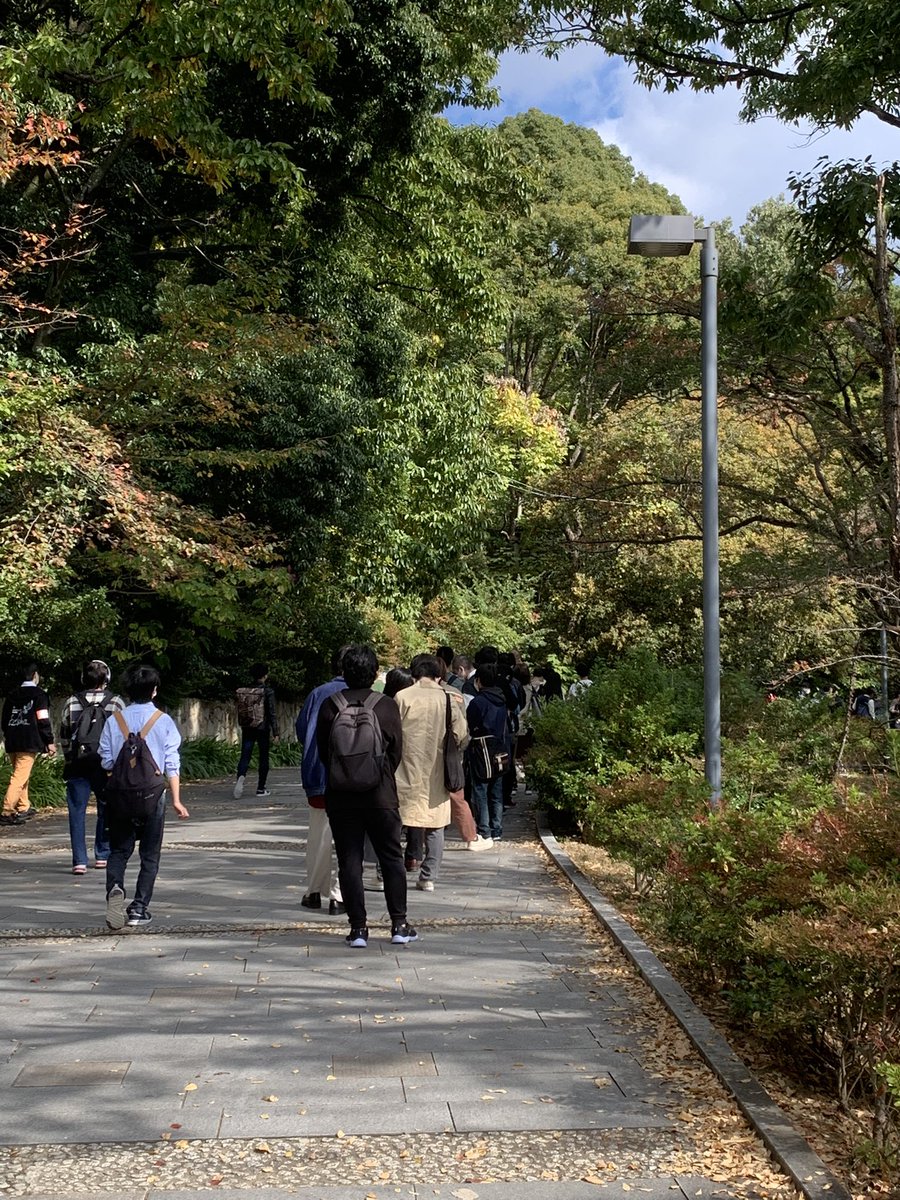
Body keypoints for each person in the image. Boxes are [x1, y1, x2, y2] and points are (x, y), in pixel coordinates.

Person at [316, 644, 416, 948]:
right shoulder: (385, 705)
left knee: (349, 860)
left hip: (341, 796)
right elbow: (396, 751)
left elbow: (325, 752)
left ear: (344, 672)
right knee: (391, 858)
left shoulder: (330, 705)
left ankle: (358, 929)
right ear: (375, 673)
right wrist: (378, 773)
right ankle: (399, 924)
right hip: (381, 795)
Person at [99, 664, 188, 929]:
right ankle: (138, 908)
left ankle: (115, 888)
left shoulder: (115, 720)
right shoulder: (163, 721)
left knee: (118, 850)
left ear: (127, 691)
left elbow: (106, 761)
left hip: (120, 796)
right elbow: (172, 763)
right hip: (152, 795)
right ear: (154, 691)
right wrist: (176, 799)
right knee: (150, 854)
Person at [395, 654, 469, 892]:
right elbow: (461, 734)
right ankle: (428, 877)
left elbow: (390, 732)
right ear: (438, 674)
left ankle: (386, 870)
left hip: (405, 768)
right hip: (438, 769)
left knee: (396, 820)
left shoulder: (402, 697)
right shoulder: (447, 699)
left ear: (414, 672)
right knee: (435, 825)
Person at [295, 647, 349, 916]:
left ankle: (313, 891)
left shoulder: (318, 693)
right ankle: (339, 896)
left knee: (318, 834)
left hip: (319, 773)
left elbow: (302, 730)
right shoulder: (366, 696)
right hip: (354, 778)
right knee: (347, 837)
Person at [59, 660, 125, 873]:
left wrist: (70, 759)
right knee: (106, 807)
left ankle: (79, 860)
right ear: (107, 679)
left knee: (76, 810)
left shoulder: (71, 702)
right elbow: (123, 735)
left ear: (83, 679)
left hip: (78, 764)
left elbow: (64, 736)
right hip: (105, 765)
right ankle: (102, 854)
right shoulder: (115, 702)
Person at [1, 662, 56, 826]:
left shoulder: (12, 695)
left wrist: (8, 734)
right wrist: (49, 741)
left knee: (20, 774)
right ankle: (7, 811)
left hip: (12, 740)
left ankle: (24, 807)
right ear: (35, 675)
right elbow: (42, 718)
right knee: (19, 777)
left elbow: (4, 720)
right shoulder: (39, 695)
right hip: (29, 740)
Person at [466, 663, 511, 845]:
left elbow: (470, 724)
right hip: (499, 748)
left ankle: (484, 830)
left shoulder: (478, 702)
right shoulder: (502, 700)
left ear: (478, 681)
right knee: (496, 791)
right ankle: (497, 828)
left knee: (480, 790)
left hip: (481, 749)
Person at [234, 663, 280, 799]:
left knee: (245, 755)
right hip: (262, 728)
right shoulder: (268, 691)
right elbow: (272, 713)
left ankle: (240, 778)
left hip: (248, 727)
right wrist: (276, 732)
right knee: (263, 757)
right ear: (265, 675)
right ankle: (261, 788)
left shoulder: (245, 690)